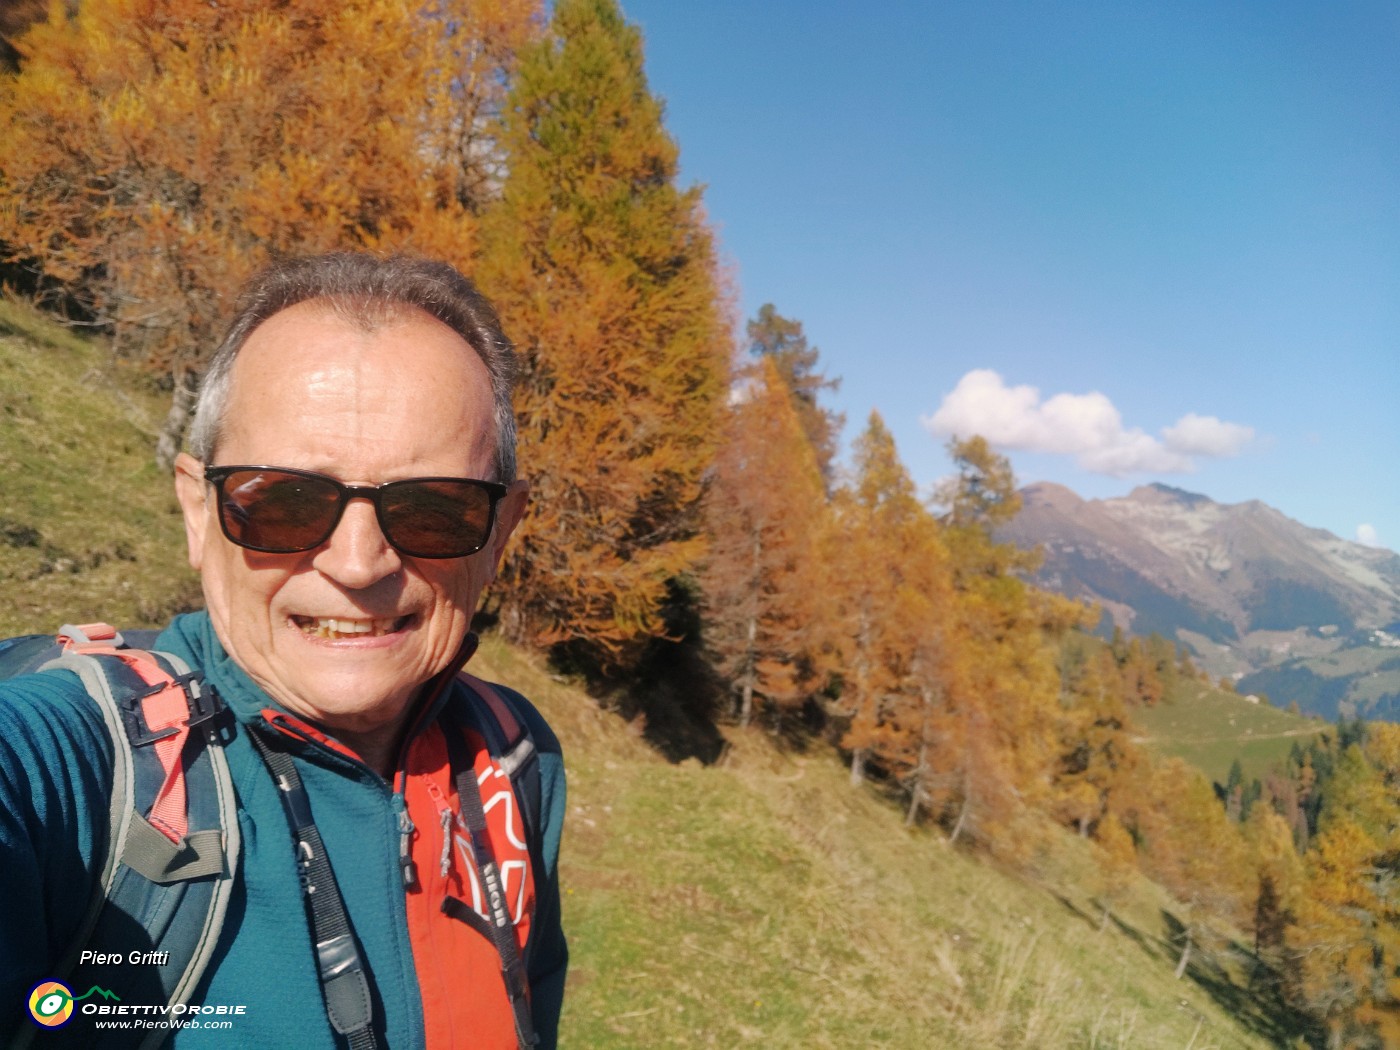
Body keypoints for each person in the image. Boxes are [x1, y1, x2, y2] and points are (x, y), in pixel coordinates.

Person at [0, 253, 567, 1048]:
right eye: (286, 501)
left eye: (435, 509)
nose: (358, 563)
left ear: (501, 532)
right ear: (199, 511)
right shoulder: (80, 762)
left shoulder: (514, 758)